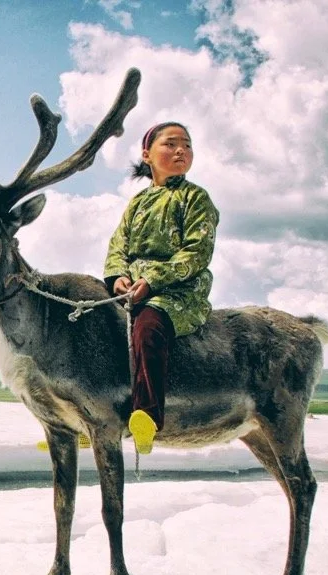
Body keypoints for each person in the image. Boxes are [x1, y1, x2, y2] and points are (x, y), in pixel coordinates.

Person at [104, 121, 219, 455]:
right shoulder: (136, 203)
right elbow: (117, 248)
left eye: (187, 144)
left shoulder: (196, 198)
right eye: (170, 144)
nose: (181, 150)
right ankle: (89, 421)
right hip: (130, 290)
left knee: (149, 328)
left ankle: (146, 419)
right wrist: (117, 278)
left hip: (178, 293)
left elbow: (196, 252)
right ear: (147, 154)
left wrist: (152, 280)